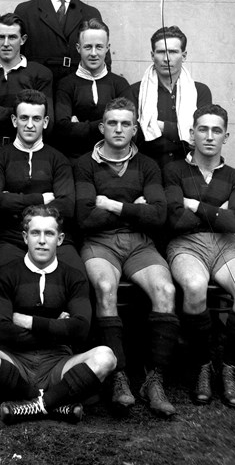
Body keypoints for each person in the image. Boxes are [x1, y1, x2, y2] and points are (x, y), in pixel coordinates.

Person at [74, 97, 178, 418]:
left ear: (135, 129)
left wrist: (114, 205)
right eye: (112, 123)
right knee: (105, 287)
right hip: (99, 243)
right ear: (102, 127)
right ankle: (119, 376)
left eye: (125, 124)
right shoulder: (84, 164)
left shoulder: (147, 165)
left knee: (166, 291)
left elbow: (159, 216)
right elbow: (85, 217)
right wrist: (136, 207)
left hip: (139, 245)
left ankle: (153, 379)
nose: (118, 129)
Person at [0, 205, 116, 424]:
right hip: (16, 360)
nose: (42, 240)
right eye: (35, 233)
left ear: (60, 239)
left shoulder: (74, 277)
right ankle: (53, 403)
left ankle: (34, 406)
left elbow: (81, 330)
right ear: (25, 237)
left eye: (49, 233)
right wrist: (57, 326)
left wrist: (28, 321)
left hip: (59, 363)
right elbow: (1, 332)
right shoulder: (6, 274)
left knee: (106, 357)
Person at [164, 104, 235, 408]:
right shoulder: (175, 170)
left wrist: (195, 206)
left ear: (225, 136)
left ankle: (229, 370)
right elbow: (175, 219)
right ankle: (203, 367)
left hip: (226, 247)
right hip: (186, 245)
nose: (209, 136)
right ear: (192, 133)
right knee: (193, 286)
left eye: (216, 130)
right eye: (202, 129)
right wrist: (220, 213)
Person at [0, 90, 81, 270]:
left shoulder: (58, 160)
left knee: (76, 272)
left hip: (53, 238)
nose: (30, 125)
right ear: (15, 121)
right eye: (24, 118)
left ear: (45, 122)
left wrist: (14, 199)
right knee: (2, 275)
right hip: (10, 237)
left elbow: (67, 206)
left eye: (36, 119)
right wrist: (42, 199)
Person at [0, 13, 53, 162]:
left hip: (26, 153)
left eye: (12, 37)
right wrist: (26, 115)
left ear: (23, 39)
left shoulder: (41, 73)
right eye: (1, 37)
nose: (6, 43)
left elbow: (48, 123)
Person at [131, 26, 212, 170]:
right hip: (147, 169)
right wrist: (178, 129)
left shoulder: (200, 91)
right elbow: (134, 136)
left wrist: (160, 126)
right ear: (152, 55)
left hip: (188, 170)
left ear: (184, 55)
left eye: (173, 52)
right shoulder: (135, 91)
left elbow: (202, 136)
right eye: (161, 52)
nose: (167, 59)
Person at [55, 18, 132, 159]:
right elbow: (62, 129)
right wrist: (108, 122)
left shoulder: (119, 84)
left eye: (99, 47)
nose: (94, 53)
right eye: (88, 47)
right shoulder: (66, 84)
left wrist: (81, 128)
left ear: (107, 48)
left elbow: (129, 126)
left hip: (113, 160)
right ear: (78, 48)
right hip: (75, 158)